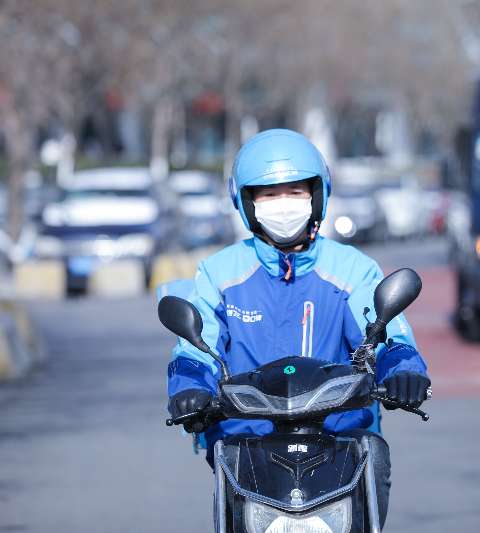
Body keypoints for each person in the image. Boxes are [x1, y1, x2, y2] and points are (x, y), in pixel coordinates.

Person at [164, 128, 430, 525]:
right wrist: (188, 387)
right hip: (247, 444)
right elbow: (196, 349)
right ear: (246, 202)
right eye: (269, 195)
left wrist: (403, 368)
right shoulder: (219, 273)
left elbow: (384, 331)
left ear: (317, 195)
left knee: (374, 456)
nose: (283, 205)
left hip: (341, 442)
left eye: (295, 192)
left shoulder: (351, 269)